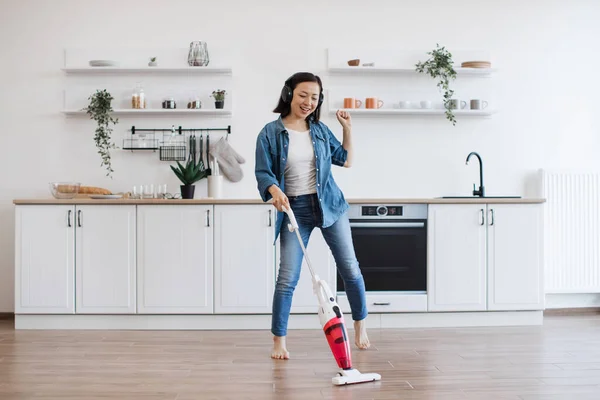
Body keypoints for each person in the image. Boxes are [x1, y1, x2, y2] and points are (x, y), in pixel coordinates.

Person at [254, 72, 370, 360]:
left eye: (314, 97)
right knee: (287, 278)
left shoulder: (319, 130)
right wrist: (273, 190)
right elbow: (263, 172)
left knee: (350, 270)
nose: (308, 102)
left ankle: (360, 326)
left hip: (330, 205)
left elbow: (346, 159)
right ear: (289, 94)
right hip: (295, 210)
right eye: (303, 95)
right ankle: (279, 341)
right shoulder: (269, 133)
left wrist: (347, 129)